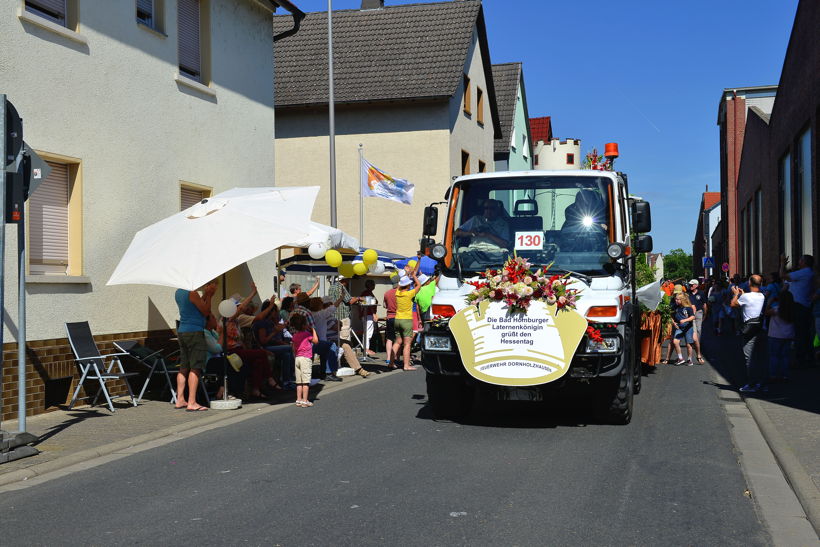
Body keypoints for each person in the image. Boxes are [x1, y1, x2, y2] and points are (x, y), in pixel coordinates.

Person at [174, 279, 217, 411]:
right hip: (194, 332)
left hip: (182, 331)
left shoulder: (178, 292)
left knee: (184, 367)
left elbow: (195, 306)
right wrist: (209, 296)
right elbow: (205, 311)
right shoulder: (192, 293)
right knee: (195, 367)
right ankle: (192, 402)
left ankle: (180, 399)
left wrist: (204, 295)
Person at [731, 274, 765, 393]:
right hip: (759, 328)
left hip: (748, 329)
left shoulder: (746, 297)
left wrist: (736, 294)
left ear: (750, 283)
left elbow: (733, 304)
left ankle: (751, 384)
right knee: (759, 357)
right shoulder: (761, 296)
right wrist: (743, 294)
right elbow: (751, 300)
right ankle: (761, 383)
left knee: (748, 358)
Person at [780, 254, 815, 366]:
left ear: (804, 262)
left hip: (799, 305)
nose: (798, 262)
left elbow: (782, 275)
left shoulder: (804, 272)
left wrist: (782, 263)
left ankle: (800, 359)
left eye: (800, 260)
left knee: (800, 333)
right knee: (805, 333)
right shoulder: (809, 273)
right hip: (805, 305)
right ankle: (809, 357)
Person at [393, 270, 421, 371]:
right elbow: (419, 285)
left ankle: (391, 362)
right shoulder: (409, 294)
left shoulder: (397, 293)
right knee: (407, 344)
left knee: (397, 342)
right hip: (406, 320)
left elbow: (400, 287)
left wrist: (404, 279)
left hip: (397, 319)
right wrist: (413, 275)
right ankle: (406, 365)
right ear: (408, 285)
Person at [766, 289, 795, 383]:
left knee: (774, 356)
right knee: (785, 356)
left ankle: (773, 375)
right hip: (788, 335)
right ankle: (785, 375)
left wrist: (769, 302)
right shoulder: (792, 311)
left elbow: (765, 312)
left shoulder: (776, 309)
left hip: (775, 335)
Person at [290, 313, 317, 408]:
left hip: (297, 358)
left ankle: (299, 399)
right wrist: (313, 330)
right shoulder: (307, 334)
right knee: (305, 381)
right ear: (303, 325)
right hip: (306, 358)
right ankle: (305, 400)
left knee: (299, 381)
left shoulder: (295, 335)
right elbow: (316, 341)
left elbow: (293, 348)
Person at [671, 293, 696, 366]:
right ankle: (680, 358)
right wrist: (674, 323)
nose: (676, 300)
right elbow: (671, 315)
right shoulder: (675, 307)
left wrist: (685, 320)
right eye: (675, 299)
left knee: (688, 345)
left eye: (678, 299)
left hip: (688, 328)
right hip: (679, 327)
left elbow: (693, 317)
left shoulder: (688, 308)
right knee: (675, 342)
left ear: (682, 300)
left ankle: (689, 359)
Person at [688, 279, 707, 364]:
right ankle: (695, 343)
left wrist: (705, 314)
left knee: (699, 329)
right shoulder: (687, 294)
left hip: (699, 312)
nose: (690, 286)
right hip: (690, 314)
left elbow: (705, 304)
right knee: (692, 329)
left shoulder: (701, 293)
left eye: (692, 285)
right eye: (690, 285)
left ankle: (697, 344)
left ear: (696, 285)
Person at [382, 276, 399, 367]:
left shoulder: (387, 293)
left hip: (389, 317)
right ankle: (396, 358)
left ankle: (388, 358)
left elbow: (385, 305)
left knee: (389, 338)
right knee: (398, 339)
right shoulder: (401, 293)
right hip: (399, 317)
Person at [360, 279, 378, 357]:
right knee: (368, 332)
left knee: (367, 331)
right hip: (368, 315)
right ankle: (366, 349)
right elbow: (369, 304)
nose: (374, 286)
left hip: (365, 314)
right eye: (373, 284)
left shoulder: (365, 293)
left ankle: (366, 349)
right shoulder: (368, 293)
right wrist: (374, 314)